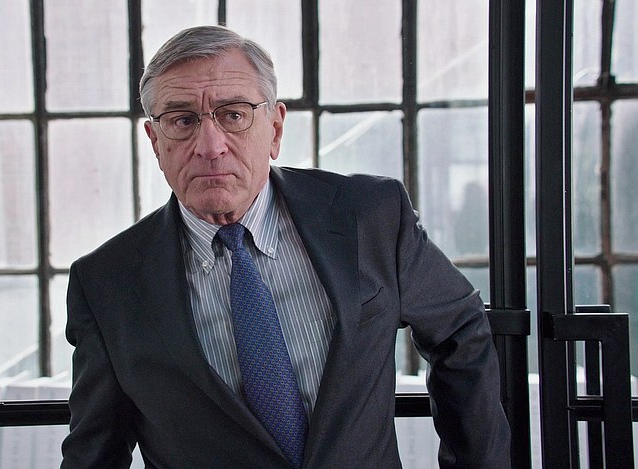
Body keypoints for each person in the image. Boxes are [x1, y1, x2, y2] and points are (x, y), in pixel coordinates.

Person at [61, 25, 511, 468]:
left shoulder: (370, 215)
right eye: (182, 121)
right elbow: (95, 453)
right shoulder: (105, 284)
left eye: (234, 115)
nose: (210, 147)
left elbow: (459, 331)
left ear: (275, 128)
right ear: (155, 142)